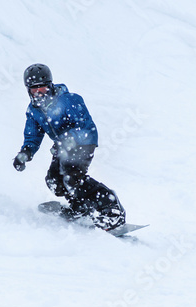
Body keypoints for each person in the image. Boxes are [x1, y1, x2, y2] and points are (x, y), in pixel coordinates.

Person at [13, 63, 126, 231]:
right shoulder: (33, 111)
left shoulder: (69, 100)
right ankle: (79, 206)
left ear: (50, 85)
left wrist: (67, 140)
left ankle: (112, 209)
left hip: (84, 141)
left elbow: (83, 125)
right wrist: (25, 152)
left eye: (42, 89)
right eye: (34, 90)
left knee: (72, 177)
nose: (38, 94)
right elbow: (33, 136)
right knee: (54, 181)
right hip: (62, 147)